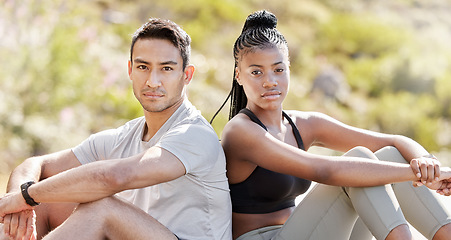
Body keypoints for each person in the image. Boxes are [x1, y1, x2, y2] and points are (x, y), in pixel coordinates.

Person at [214, 10, 451, 240]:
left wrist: (431, 167)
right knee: (361, 160)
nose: (269, 82)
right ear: (239, 75)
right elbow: (325, 171)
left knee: (389, 154)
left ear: (289, 69)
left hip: (310, 231)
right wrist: (417, 173)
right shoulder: (241, 131)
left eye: (278, 70)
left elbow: (395, 141)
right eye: (256, 72)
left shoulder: (304, 124)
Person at [0, 18, 232, 240]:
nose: (153, 81)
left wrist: (26, 197)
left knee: (101, 208)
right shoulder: (125, 136)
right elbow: (35, 164)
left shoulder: (194, 133)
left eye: (166, 69)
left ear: (187, 75)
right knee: (46, 200)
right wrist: (19, 201)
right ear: (130, 70)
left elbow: (113, 177)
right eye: (143, 67)